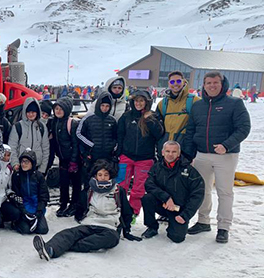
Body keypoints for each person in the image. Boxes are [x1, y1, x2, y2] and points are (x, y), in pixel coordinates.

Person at [183, 72, 251, 243]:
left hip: (226, 155)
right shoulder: (198, 106)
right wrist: (188, 154)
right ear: (203, 85)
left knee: (224, 191)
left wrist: (226, 145)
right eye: (208, 83)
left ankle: (223, 227)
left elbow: (243, 127)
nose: (211, 86)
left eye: (215, 82)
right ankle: (203, 221)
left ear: (222, 84)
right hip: (202, 155)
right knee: (202, 190)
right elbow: (191, 131)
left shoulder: (234, 103)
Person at [32, 159, 141, 261]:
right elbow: (81, 207)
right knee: (69, 233)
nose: (103, 177)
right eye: (100, 175)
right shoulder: (89, 190)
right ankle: (50, 249)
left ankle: (65, 247)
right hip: (90, 222)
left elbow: (127, 211)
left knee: (111, 239)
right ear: (95, 176)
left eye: (106, 175)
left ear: (110, 176)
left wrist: (126, 231)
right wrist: (80, 217)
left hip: (109, 227)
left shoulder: (118, 191)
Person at [141, 141, 204, 243]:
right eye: (167, 151)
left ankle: (173, 224)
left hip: (179, 209)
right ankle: (152, 227)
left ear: (179, 153)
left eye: (174, 152)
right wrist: (166, 198)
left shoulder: (189, 171)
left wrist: (185, 215)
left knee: (177, 238)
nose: (170, 154)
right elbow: (149, 185)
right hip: (163, 204)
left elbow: (198, 194)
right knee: (147, 198)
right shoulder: (157, 167)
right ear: (162, 152)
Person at [116, 89, 164, 218]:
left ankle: (133, 212)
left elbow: (159, 134)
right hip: (126, 156)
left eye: (141, 100)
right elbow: (120, 135)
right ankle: (119, 209)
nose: (138, 103)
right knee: (121, 185)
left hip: (145, 159)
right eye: (136, 100)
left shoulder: (153, 116)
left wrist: (149, 120)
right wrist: (118, 154)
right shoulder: (127, 116)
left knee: (139, 188)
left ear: (146, 102)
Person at [0, 149, 50, 234]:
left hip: (36, 206)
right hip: (23, 207)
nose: (23, 164)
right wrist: (23, 210)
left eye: (26, 162)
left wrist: (39, 211)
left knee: (42, 230)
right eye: (22, 161)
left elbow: (44, 196)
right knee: (25, 230)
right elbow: (16, 195)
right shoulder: (17, 175)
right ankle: (17, 222)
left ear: (32, 162)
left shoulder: (39, 176)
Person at [76, 92, 118, 187]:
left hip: (107, 156)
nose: (104, 108)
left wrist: (113, 147)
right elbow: (79, 134)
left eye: (107, 106)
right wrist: (90, 145)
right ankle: (88, 199)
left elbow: (117, 136)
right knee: (90, 180)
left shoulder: (112, 120)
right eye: (102, 105)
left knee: (106, 179)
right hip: (92, 155)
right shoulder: (88, 118)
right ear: (98, 105)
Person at [49, 97, 81, 217]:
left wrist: (74, 161)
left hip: (73, 159)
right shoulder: (54, 122)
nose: (58, 111)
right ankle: (63, 204)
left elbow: (75, 143)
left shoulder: (72, 123)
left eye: (61, 109)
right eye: (56, 108)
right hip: (62, 158)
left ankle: (74, 204)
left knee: (76, 183)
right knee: (64, 183)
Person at [155, 70, 200, 151]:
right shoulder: (162, 104)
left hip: (186, 148)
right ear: (169, 83)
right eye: (172, 81)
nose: (175, 84)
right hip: (167, 149)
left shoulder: (194, 101)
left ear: (184, 82)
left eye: (178, 81)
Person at [9, 97, 50, 173]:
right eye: (28, 112)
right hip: (21, 166)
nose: (31, 114)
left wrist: (42, 169)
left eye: (33, 112)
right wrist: (15, 163)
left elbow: (45, 148)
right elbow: (12, 147)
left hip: (37, 167)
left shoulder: (42, 127)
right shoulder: (18, 126)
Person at [0, 144, 14, 217]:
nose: (5, 157)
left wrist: (10, 194)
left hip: (3, 199)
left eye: (8, 155)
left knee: (15, 213)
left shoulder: (9, 170)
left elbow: (9, 186)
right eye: (4, 155)